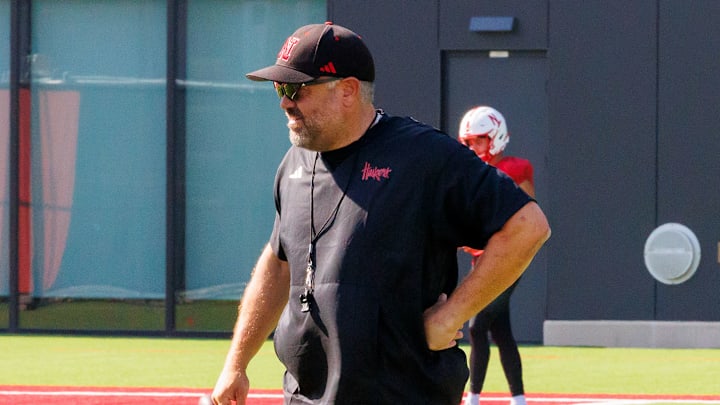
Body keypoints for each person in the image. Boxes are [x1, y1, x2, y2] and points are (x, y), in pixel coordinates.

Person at [210, 22, 550, 405]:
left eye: (297, 89)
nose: (285, 102)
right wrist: (236, 362)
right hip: (306, 395)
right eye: (280, 88)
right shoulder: (294, 163)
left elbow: (527, 226)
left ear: (348, 90)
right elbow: (278, 264)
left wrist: (451, 317)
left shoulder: (422, 156)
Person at [458, 106, 535, 405]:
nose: (472, 147)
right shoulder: (471, 171)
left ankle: (473, 398)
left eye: (478, 140)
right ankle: (517, 398)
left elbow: (528, 219)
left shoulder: (514, 169)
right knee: (501, 331)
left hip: (511, 258)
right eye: (468, 142)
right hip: (483, 259)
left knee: (478, 325)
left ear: (496, 137)